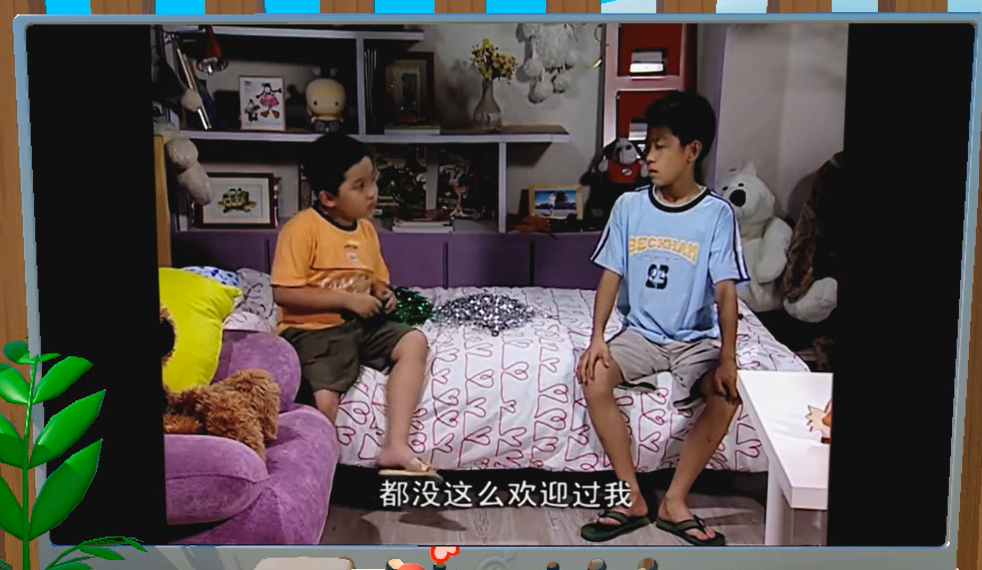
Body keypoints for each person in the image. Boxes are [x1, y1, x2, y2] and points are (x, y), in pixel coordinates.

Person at [577, 90, 749, 546]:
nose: (647, 157)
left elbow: (726, 293)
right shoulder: (629, 207)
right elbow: (611, 276)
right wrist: (598, 338)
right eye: (646, 146)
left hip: (695, 340)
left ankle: (675, 501)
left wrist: (727, 358)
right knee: (594, 376)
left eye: (659, 146)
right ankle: (632, 496)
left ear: (691, 151)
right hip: (641, 334)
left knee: (726, 395)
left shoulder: (716, 215)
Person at [271, 133, 438, 479]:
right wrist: (347, 299)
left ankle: (395, 444)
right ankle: (311, 474)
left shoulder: (366, 230)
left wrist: (382, 293)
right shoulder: (301, 229)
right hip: (313, 330)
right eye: (360, 186)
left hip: (361, 324)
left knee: (414, 342)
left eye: (372, 181)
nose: (372, 192)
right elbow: (284, 293)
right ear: (328, 198)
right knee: (324, 399)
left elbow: (375, 278)